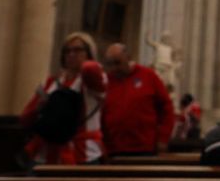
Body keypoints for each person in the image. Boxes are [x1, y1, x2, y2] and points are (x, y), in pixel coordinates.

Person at [20, 32, 107, 165]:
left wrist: (87, 62)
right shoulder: (52, 82)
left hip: (83, 153)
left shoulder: (92, 80)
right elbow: (25, 117)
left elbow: (90, 68)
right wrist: (40, 107)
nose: (71, 54)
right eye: (67, 51)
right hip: (47, 151)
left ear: (88, 53)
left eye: (78, 50)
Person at [102, 43, 174, 157]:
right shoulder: (106, 81)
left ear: (128, 58)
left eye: (117, 63)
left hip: (144, 148)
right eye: (110, 64)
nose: (114, 68)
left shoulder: (148, 76)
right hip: (113, 149)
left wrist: (163, 138)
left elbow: (167, 108)